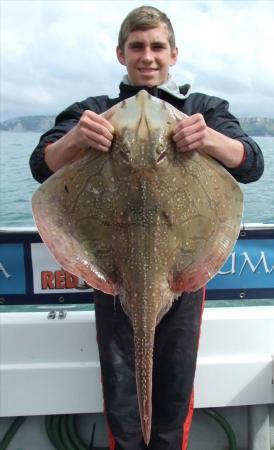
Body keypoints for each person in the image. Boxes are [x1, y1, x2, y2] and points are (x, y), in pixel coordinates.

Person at [29, 5, 264, 450]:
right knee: (122, 389)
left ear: (174, 54)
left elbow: (252, 164)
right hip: (114, 271)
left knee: (174, 389)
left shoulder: (203, 110)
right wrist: (76, 140)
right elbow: (42, 165)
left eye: (157, 46)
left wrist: (208, 139)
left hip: (181, 270)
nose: (148, 56)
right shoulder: (93, 112)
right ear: (121, 54)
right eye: (137, 47)